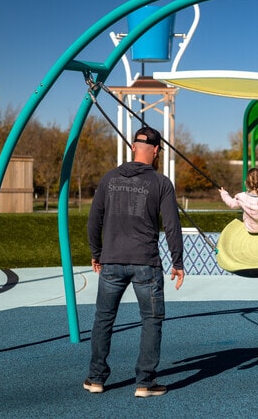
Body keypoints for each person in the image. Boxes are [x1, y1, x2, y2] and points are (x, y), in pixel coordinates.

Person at [84, 126, 185, 398]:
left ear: (132, 147)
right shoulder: (161, 183)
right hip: (146, 264)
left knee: (104, 319)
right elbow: (172, 227)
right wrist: (178, 261)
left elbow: (94, 221)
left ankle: (96, 378)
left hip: (112, 261)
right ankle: (145, 382)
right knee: (151, 320)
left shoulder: (109, 179)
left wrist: (97, 253)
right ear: (155, 150)